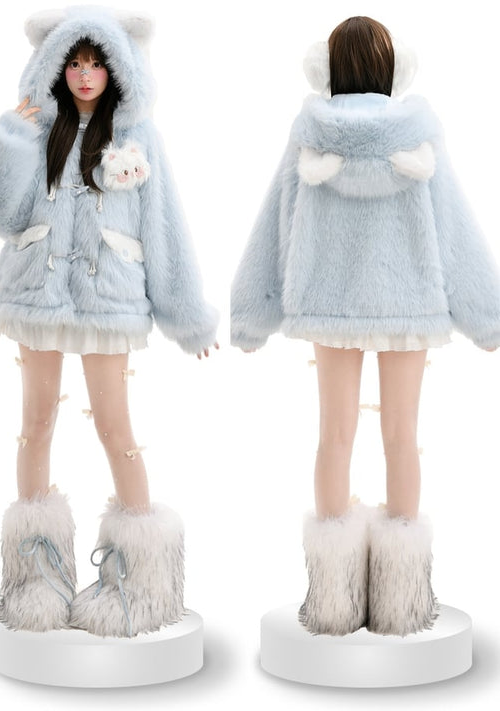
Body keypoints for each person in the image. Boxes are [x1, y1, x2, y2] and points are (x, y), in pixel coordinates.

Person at [230, 16, 500, 636]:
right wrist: (486, 317)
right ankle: (402, 602)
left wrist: (250, 317)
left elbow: (276, 222)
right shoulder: (418, 136)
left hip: (330, 304)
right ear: (392, 69)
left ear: (325, 69)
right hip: (409, 304)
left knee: (335, 436)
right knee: (403, 436)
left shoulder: (310, 136)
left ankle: (333, 599)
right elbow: (454, 228)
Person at [0, 6, 218, 638]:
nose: (84, 75)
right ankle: (35, 578)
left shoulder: (138, 137)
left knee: (116, 429)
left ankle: (140, 581)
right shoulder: (39, 130)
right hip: (37, 294)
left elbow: (165, 226)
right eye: (74, 63)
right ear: (55, 67)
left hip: (108, 300)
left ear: (118, 69)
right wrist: (7, 139)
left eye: (96, 63)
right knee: (35, 426)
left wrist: (187, 315)